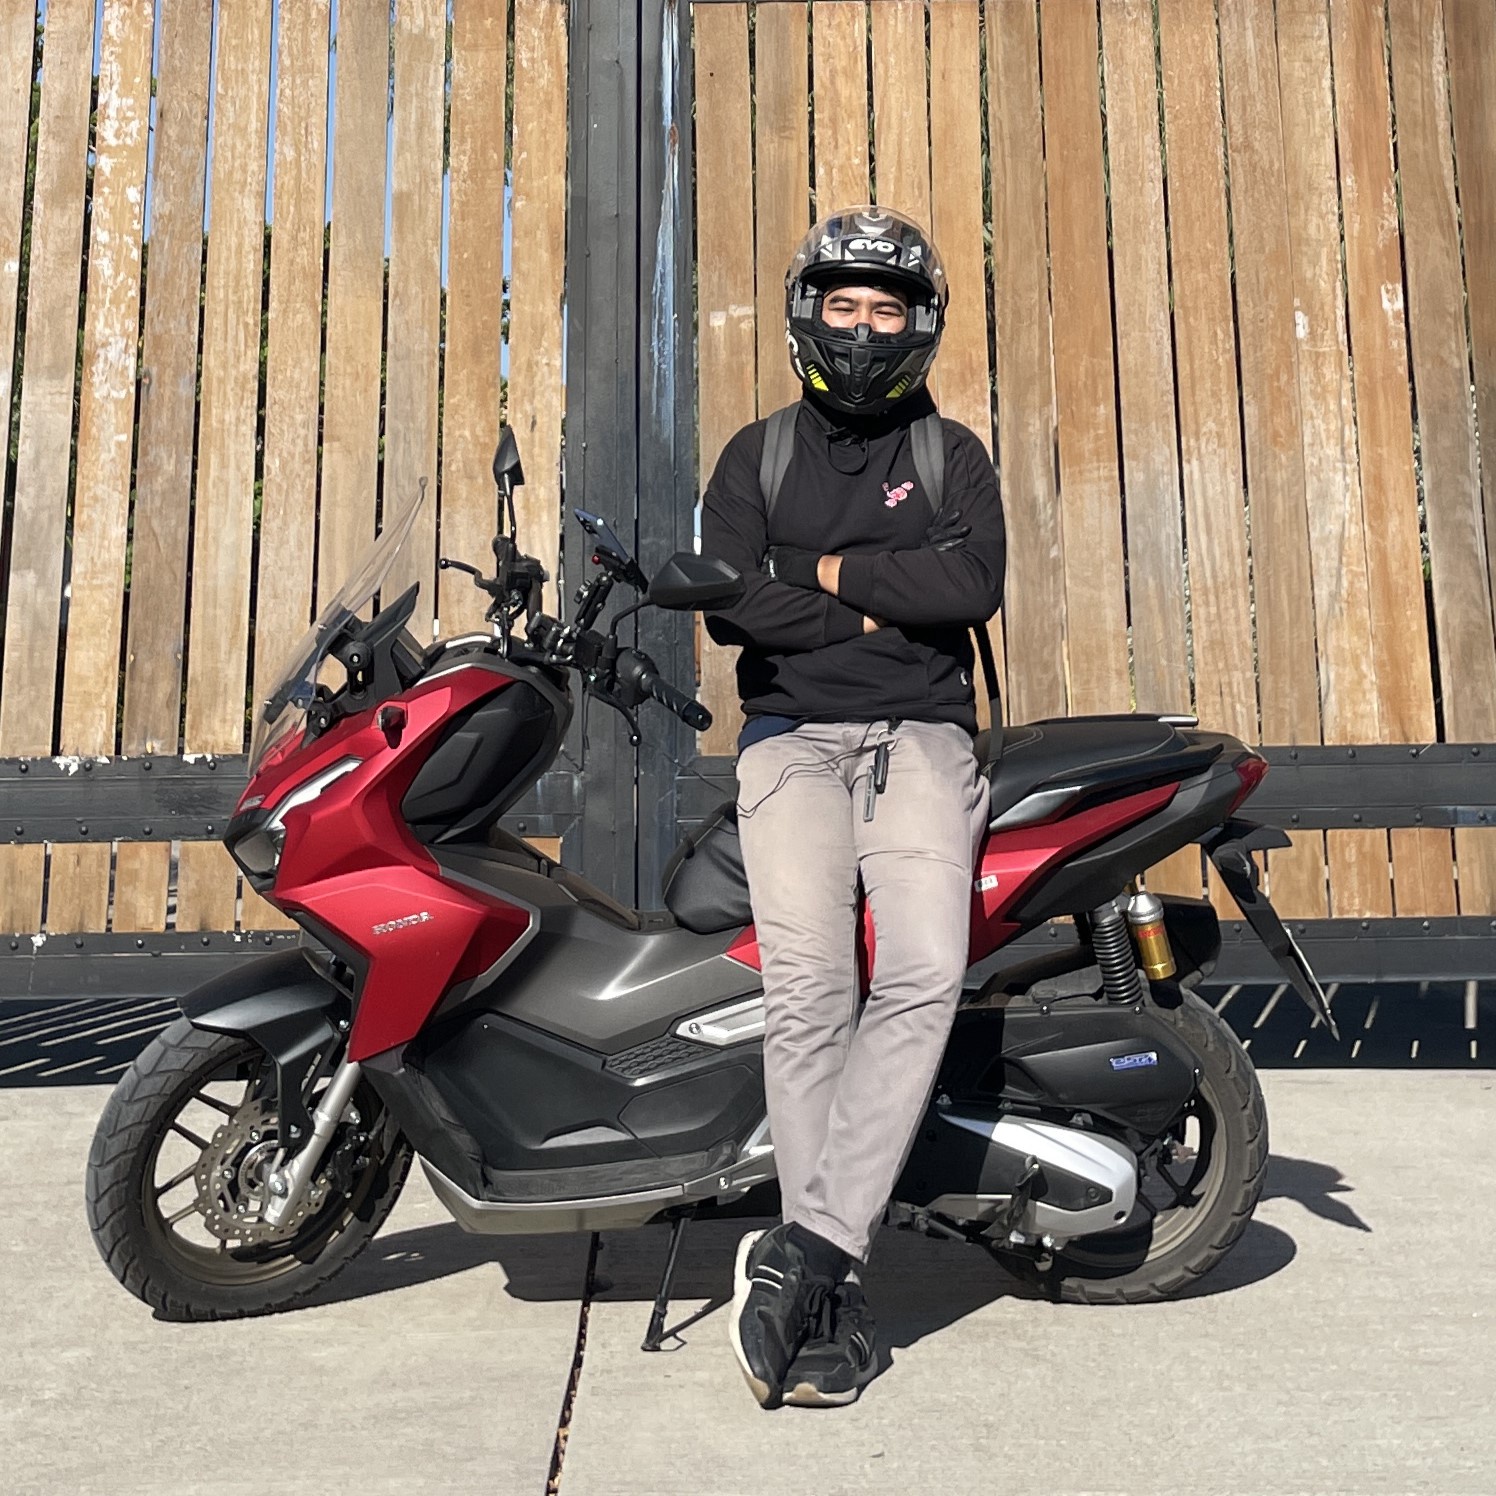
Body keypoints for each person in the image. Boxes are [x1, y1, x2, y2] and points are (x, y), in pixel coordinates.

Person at [700, 205, 1005, 1409]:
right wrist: (884, 601)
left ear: (917, 324)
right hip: (787, 744)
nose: (864, 328)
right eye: (844, 304)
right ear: (807, 311)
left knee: (925, 970)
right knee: (811, 984)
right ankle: (831, 1282)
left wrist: (812, 575)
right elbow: (729, 601)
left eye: (887, 309)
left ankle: (811, 1255)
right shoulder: (754, 454)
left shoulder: (951, 456)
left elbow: (970, 583)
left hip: (925, 736)